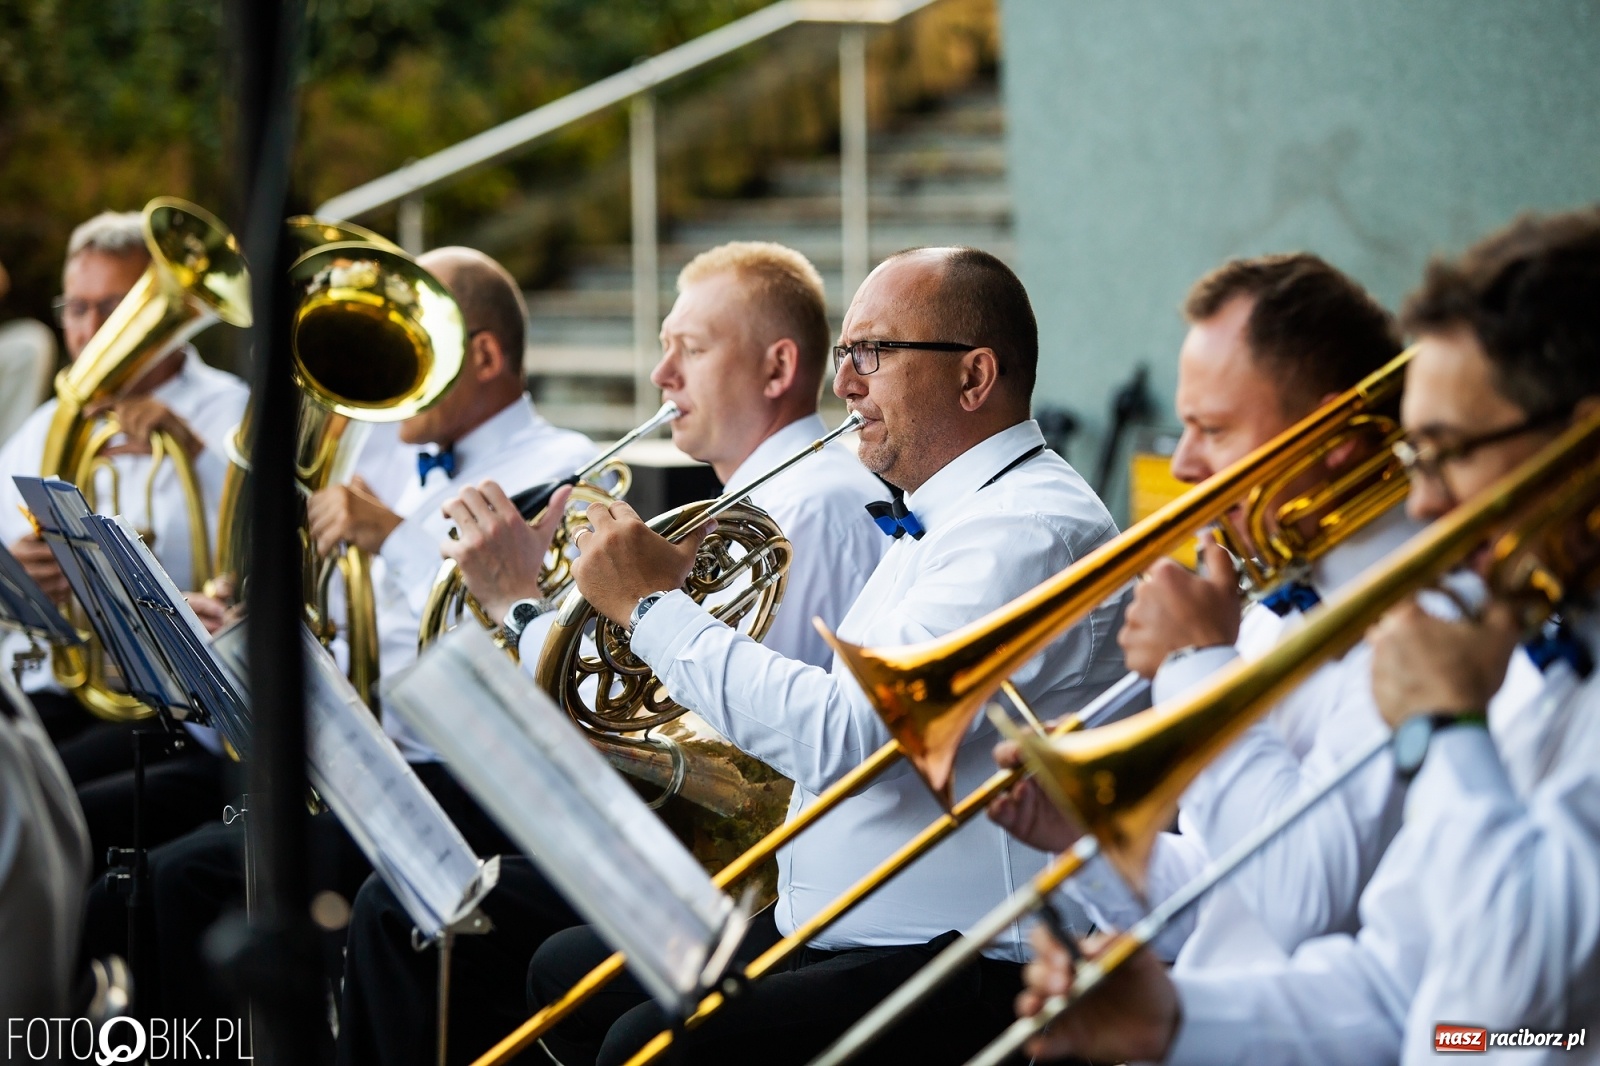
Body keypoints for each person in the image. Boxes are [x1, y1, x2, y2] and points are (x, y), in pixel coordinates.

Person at [1014, 206, 1600, 1065]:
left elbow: (1510, 992)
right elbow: (1406, 994)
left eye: (1447, 452)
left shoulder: (1444, 636)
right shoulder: (1471, 644)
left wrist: (1198, 665)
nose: (1424, 501)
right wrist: (1172, 1018)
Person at [524, 245, 1127, 1066]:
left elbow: (849, 740)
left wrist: (651, 609)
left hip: (972, 961)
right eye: (845, 353)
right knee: (568, 982)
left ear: (974, 377)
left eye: (873, 353)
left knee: (646, 1047)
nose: (844, 382)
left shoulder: (1026, 531)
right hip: (845, 929)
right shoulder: (949, 513)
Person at [337, 240, 890, 1066]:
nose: (662, 375)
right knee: (412, 892)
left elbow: (700, 735)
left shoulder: (809, 507)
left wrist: (521, 604)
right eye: (665, 348)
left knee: (407, 908)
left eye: (690, 350)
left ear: (778, 368)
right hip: (679, 840)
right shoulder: (764, 497)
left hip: (732, 870)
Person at [79, 246, 596, 1051]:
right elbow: (353, 621)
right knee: (139, 879)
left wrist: (394, 539)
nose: (392, 383)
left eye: (419, 351)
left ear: (485, 357)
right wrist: (254, 623)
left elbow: (533, 642)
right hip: (364, 760)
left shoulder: (560, 468)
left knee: (181, 879)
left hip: (462, 782)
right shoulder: (397, 453)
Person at [991, 253, 1473, 973]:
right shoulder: (1274, 603)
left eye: (1212, 429)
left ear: (1334, 441)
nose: (1183, 464)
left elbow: (1305, 901)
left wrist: (1196, 665)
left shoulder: (1432, 620)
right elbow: (1226, 900)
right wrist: (1083, 835)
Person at [0, 209, 249, 866]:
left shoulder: (231, 410)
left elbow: (269, 544)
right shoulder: (49, 423)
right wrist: (18, 574)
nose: (89, 330)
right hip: (59, 687)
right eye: (76, 308)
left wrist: (195, 454)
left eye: (112, 308)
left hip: (174, 708)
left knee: (44, 809)